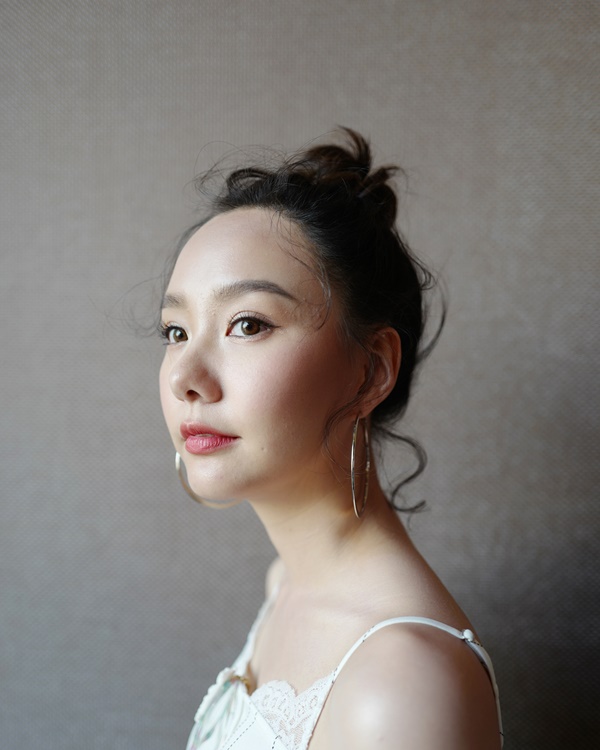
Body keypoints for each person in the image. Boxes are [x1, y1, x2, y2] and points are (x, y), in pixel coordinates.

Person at [158, 128, 503, 750]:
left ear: (371, 371)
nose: (186, 377)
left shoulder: (402, 685)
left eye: (247, 324)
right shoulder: (285, 585)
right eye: (176, 332)